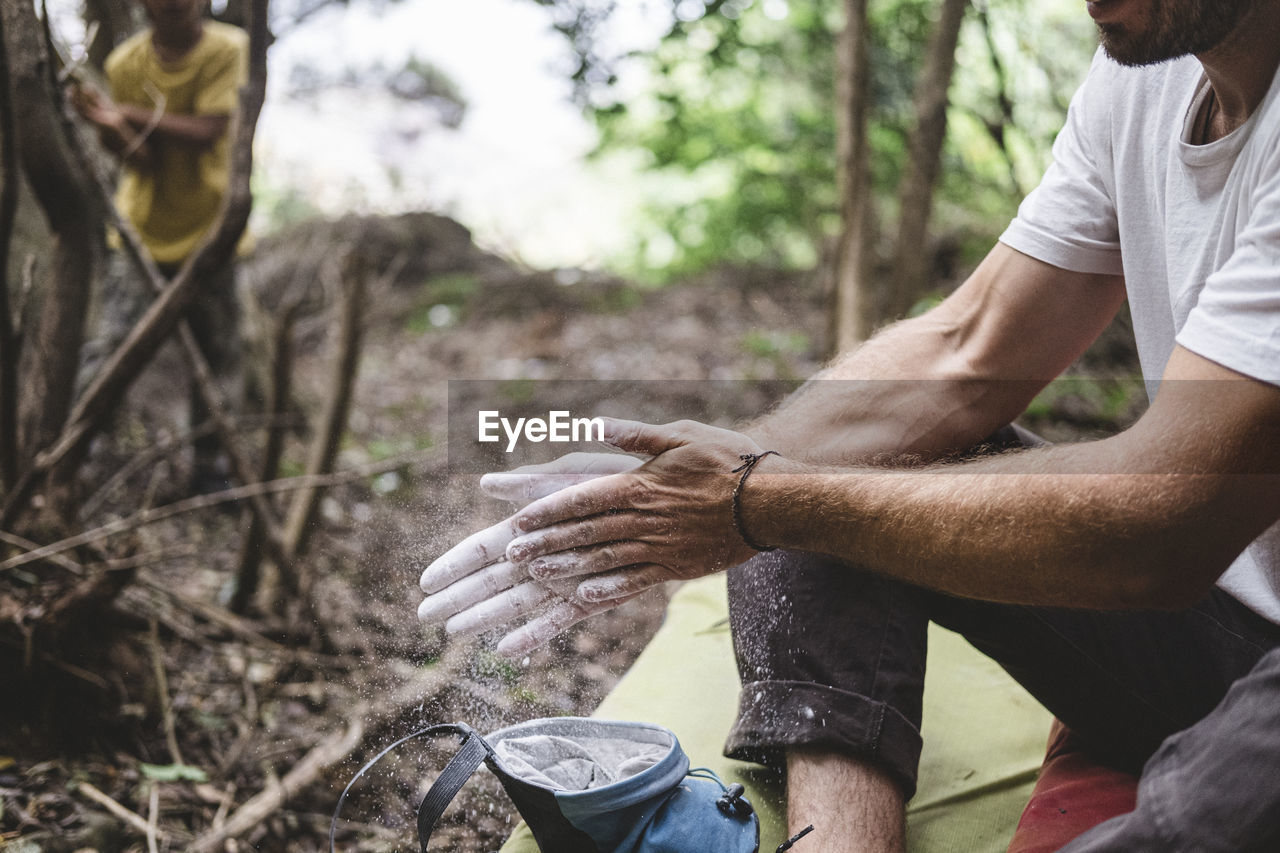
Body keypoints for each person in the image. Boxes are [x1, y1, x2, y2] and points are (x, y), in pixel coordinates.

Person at [419, 0, 1280, 849]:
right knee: (812, 474)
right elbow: (968, 348)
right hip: (1210, 633)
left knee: (1191, 817)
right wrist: (709, 482)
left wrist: (762, 499)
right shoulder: (1143, 75)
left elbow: (1167, 521)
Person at [72, 0, 248, 492]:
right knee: (112, 348)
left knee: (219, 354)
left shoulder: (228, 49)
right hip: (141, 235)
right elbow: (141, 158)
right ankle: (74, 456)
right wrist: (107, 127)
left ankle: (213, 469)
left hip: (213, 233)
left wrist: (123, 111)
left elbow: (210, 129)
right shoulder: (124, 64)